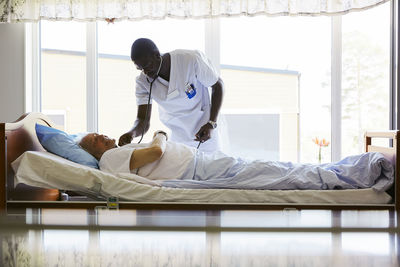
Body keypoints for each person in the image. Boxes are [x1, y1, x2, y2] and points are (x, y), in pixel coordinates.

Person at [79, 131, 394, 192]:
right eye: (94, 137)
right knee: (282, 173)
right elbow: (157, 153)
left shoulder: (113, 155)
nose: (102, 135)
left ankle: (352, 169)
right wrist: (160, 133)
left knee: (281, 169)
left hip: (206, 162)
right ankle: (360, 171)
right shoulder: (109, 159)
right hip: (202, 170)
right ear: (92, 150)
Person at [118, 38, 224, 153]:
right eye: (140, 68)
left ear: (157, 55)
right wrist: (132, 133)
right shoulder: (143, 82)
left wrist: (211, 123)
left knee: (212, 167)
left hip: (205, 132)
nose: (145, 72)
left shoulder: (189, 59)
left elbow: (217, 86)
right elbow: (143, 119)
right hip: (177, 137)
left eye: (147, 66)